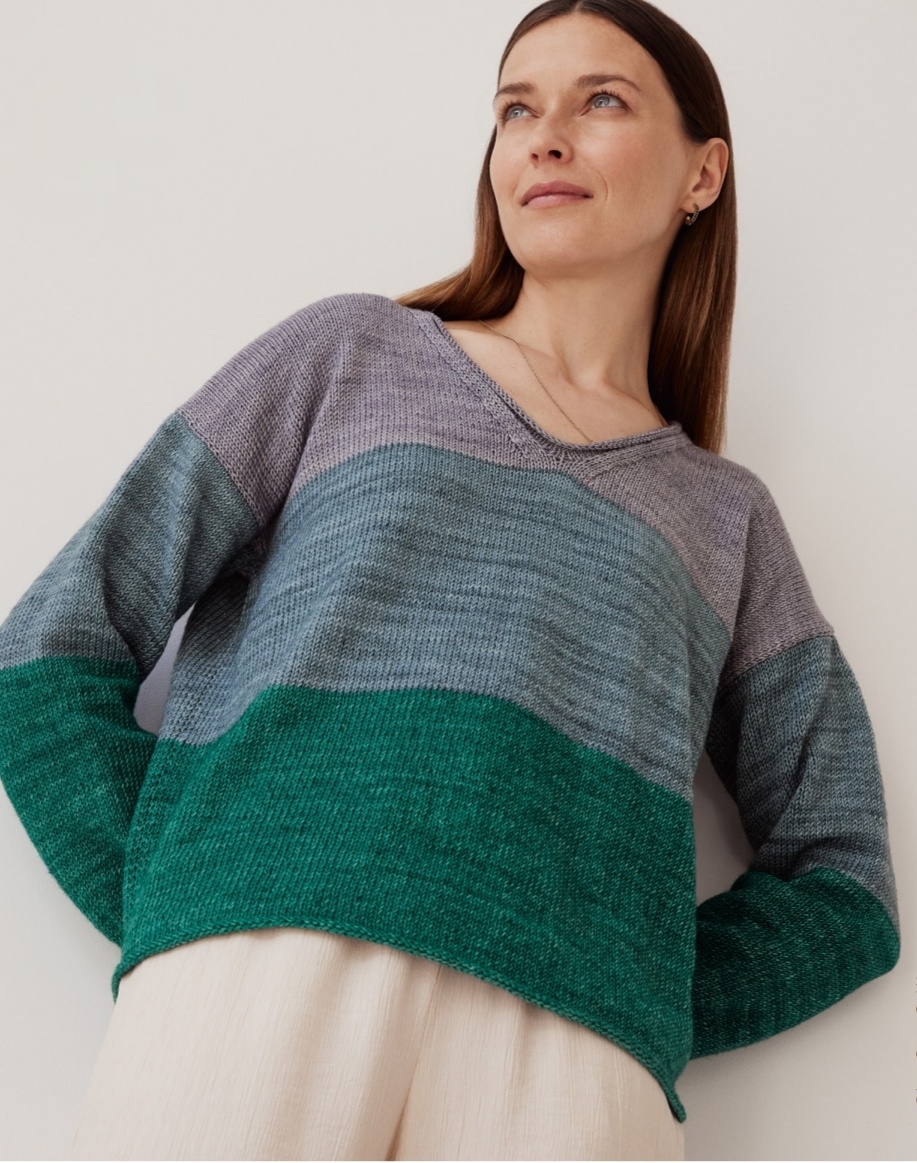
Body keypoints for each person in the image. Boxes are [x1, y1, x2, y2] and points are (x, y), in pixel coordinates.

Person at [0, 0, 900, 1159]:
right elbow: (49, 647)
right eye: (515, 108)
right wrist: (192, 888)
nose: (543, 136)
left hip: (570, 1060)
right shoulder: (345, 355)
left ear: (701, 172)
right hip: (253, 981)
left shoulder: (725, 520)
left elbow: (843, 874)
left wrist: (630, 978)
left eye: (601, 100)